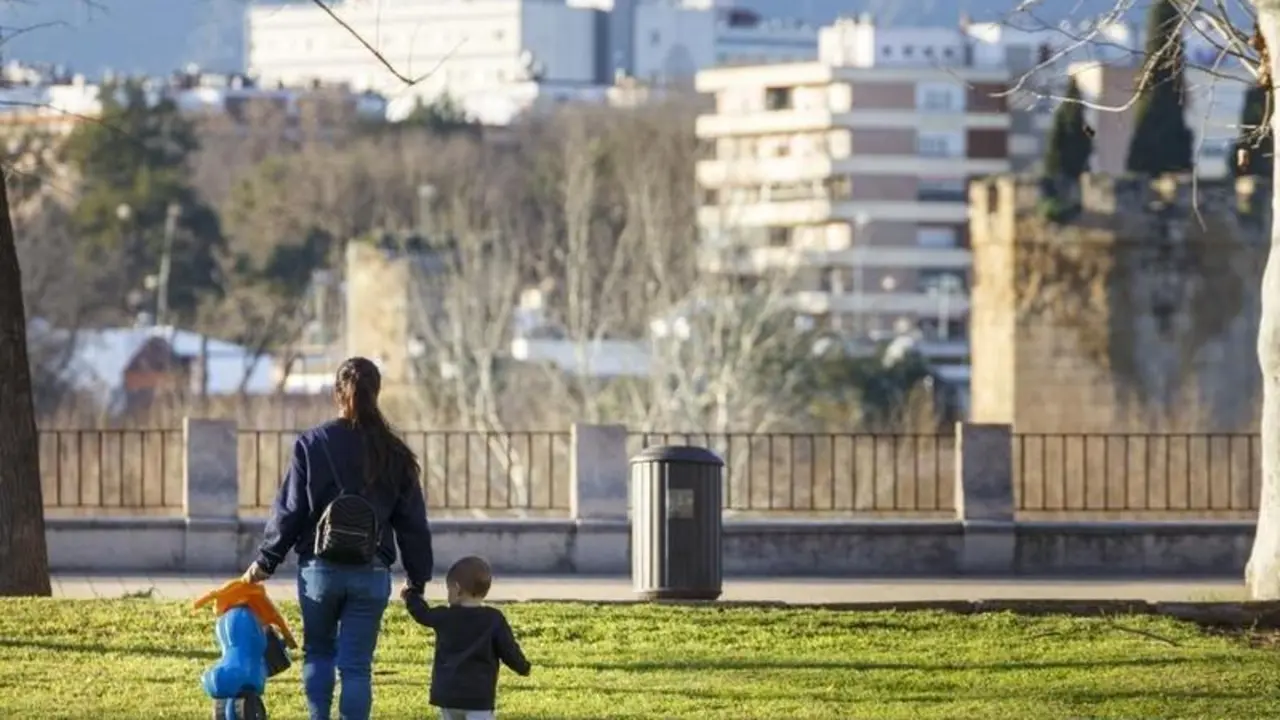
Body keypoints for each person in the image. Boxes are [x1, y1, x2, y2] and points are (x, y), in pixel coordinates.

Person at [241, 356, 434, 720]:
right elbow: (413, 524)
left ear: (336, 394)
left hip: (319, 571)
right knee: (357, 667)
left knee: (319, 653)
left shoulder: (312, 444)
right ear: (376, 393)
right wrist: (418, 579)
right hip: (371, 571)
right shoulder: (395, 453)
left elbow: (291, 510)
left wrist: (266, 561)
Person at [401, 556, 531, 720]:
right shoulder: (493, 619)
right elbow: (508, 650)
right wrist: (523, 667)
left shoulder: (445, 616)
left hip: (447, 694)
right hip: (479, 696)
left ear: (457, 588)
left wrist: (410, 596)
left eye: (448, 590)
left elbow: (422, 614)